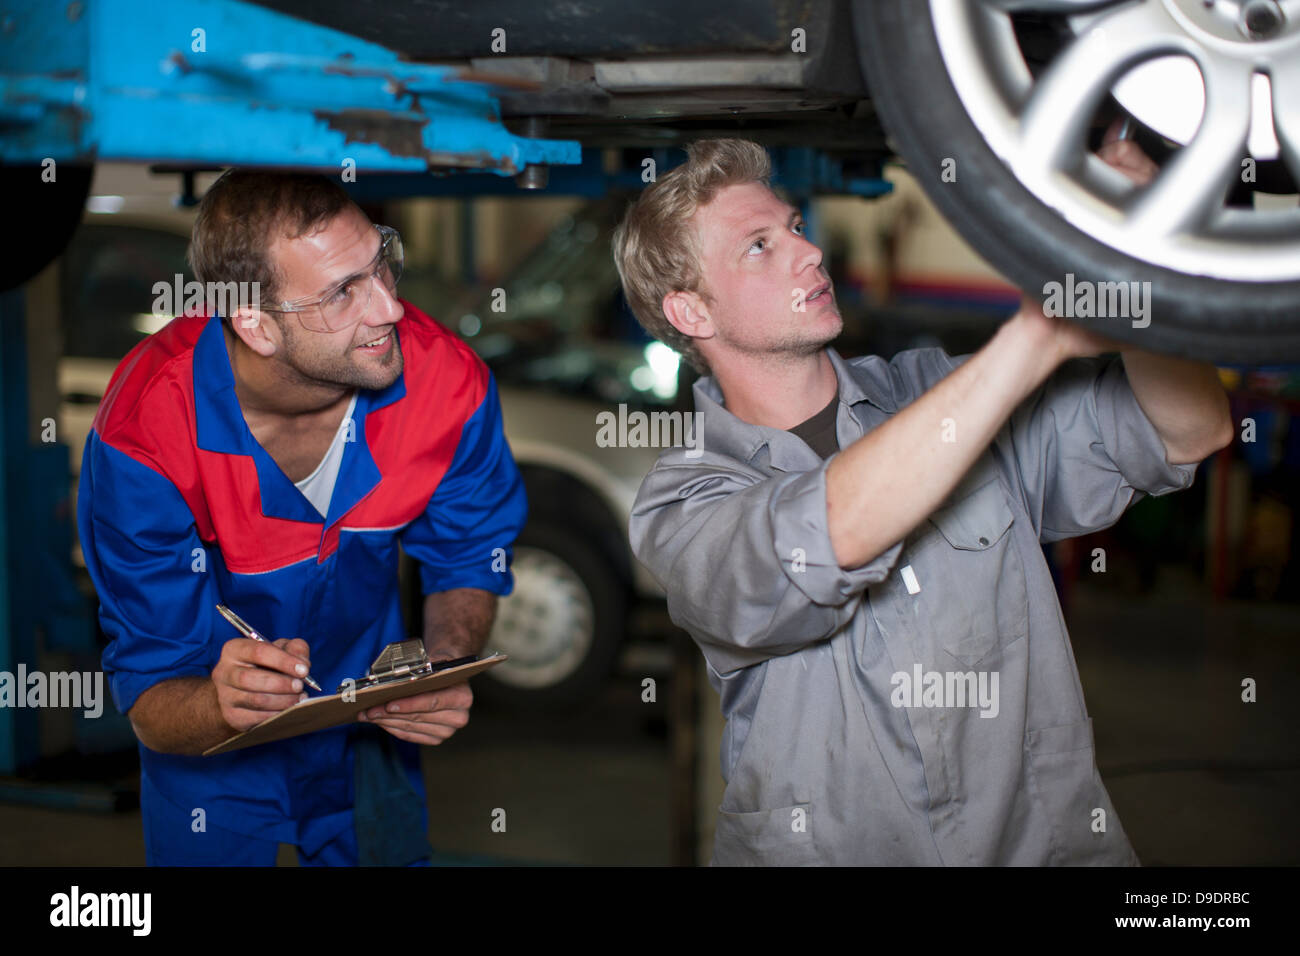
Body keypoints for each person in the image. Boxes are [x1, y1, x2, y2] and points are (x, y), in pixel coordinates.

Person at [613, 138, 1233, 865]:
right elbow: (825, 536)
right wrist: (1037, 335)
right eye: (758, 246)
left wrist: (1136, 248)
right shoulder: (684, 498)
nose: (807, 254)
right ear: (690, 312)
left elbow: (1191, 429)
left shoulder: (944, 388)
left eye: (796, 229)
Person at [77, 171, 527, 865]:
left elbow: (471, 555)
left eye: (382, 263)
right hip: (214, 758)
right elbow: (151, 699)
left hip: (369, 732)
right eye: (342, 291)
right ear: (254, 323)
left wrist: (439, 667)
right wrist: (219, 706)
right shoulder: (149, 434)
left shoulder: (445, 381)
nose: (390, 308)